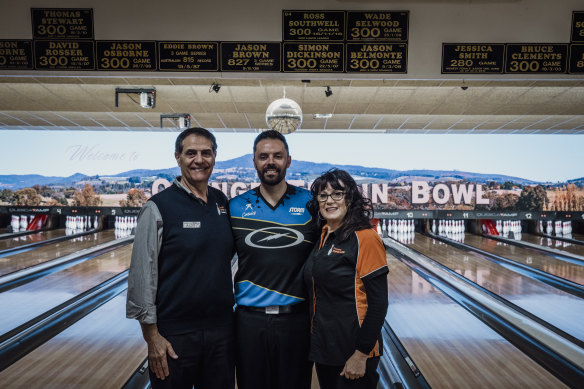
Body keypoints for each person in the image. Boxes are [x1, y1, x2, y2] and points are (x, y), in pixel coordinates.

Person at [126, 127, 235, 389]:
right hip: (174, 335)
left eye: (206, 153)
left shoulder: (222, 202)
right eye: (191, 153)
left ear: (215, 156)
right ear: (178, 157)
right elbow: (142, 275)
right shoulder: (158, 207)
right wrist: (152, 338)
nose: (199, 160)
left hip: (221, 331)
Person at [229, 130, 319, 389]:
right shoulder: (235, 206)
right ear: (254, 161)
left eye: (277, 156)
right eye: (264, 156)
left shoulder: (310, 203)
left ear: (288, 160)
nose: (271, 162)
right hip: (248, 322)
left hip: (297, 321)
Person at [304, 168, 389, 389]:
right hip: (325, 349)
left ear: (349, 198)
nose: (329, 200)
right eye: (323, 196)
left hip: (353, 352)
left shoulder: (366, 238)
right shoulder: (324, 234)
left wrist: (361, 354)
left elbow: (379, 303)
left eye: (337, 194)